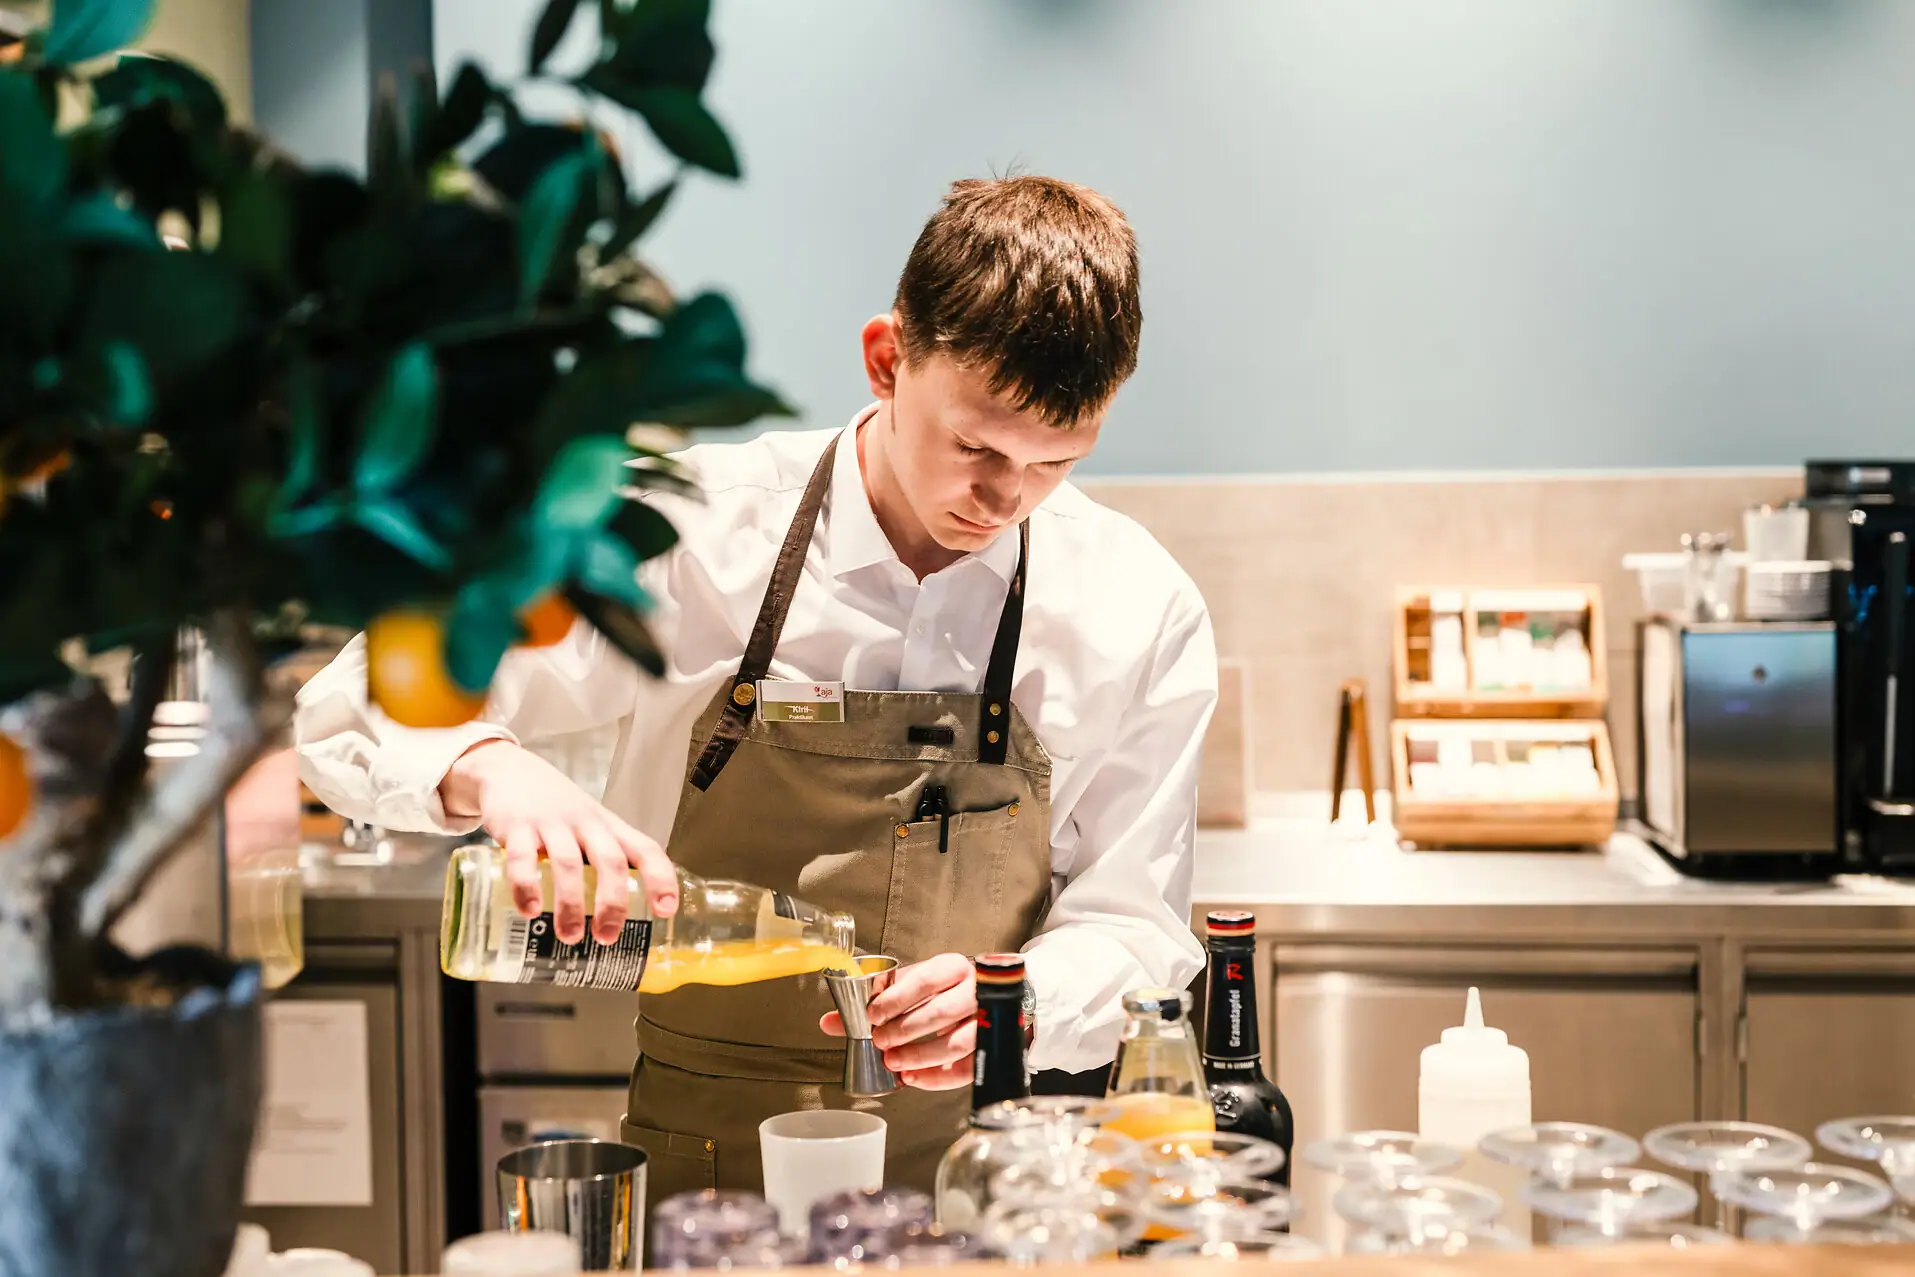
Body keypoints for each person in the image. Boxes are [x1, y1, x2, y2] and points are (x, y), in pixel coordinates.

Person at [296, 175, 1217, 1197]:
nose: (1003, 499)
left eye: (1055, 462)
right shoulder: (688, 534)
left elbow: (1138, 924)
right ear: (885, 359)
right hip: (708, 1173)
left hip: (999, 1174)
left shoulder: (1137, 604)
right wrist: (489, 768)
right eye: (976, 446)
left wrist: (1025, 997)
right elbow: (350, 703)